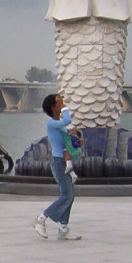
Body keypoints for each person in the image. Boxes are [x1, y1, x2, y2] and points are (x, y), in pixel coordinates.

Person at [34, 93, 82, 241]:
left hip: (64, 162)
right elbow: (68, 119)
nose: (61, 101)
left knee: (70, 195)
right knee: (67, 195)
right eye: (58, 101)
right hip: (58, 162)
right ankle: (41, 219)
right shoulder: (51, 124)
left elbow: (67, 143)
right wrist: (64, 107)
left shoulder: (59, 125)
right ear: (53, 107)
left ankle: (63, 228)